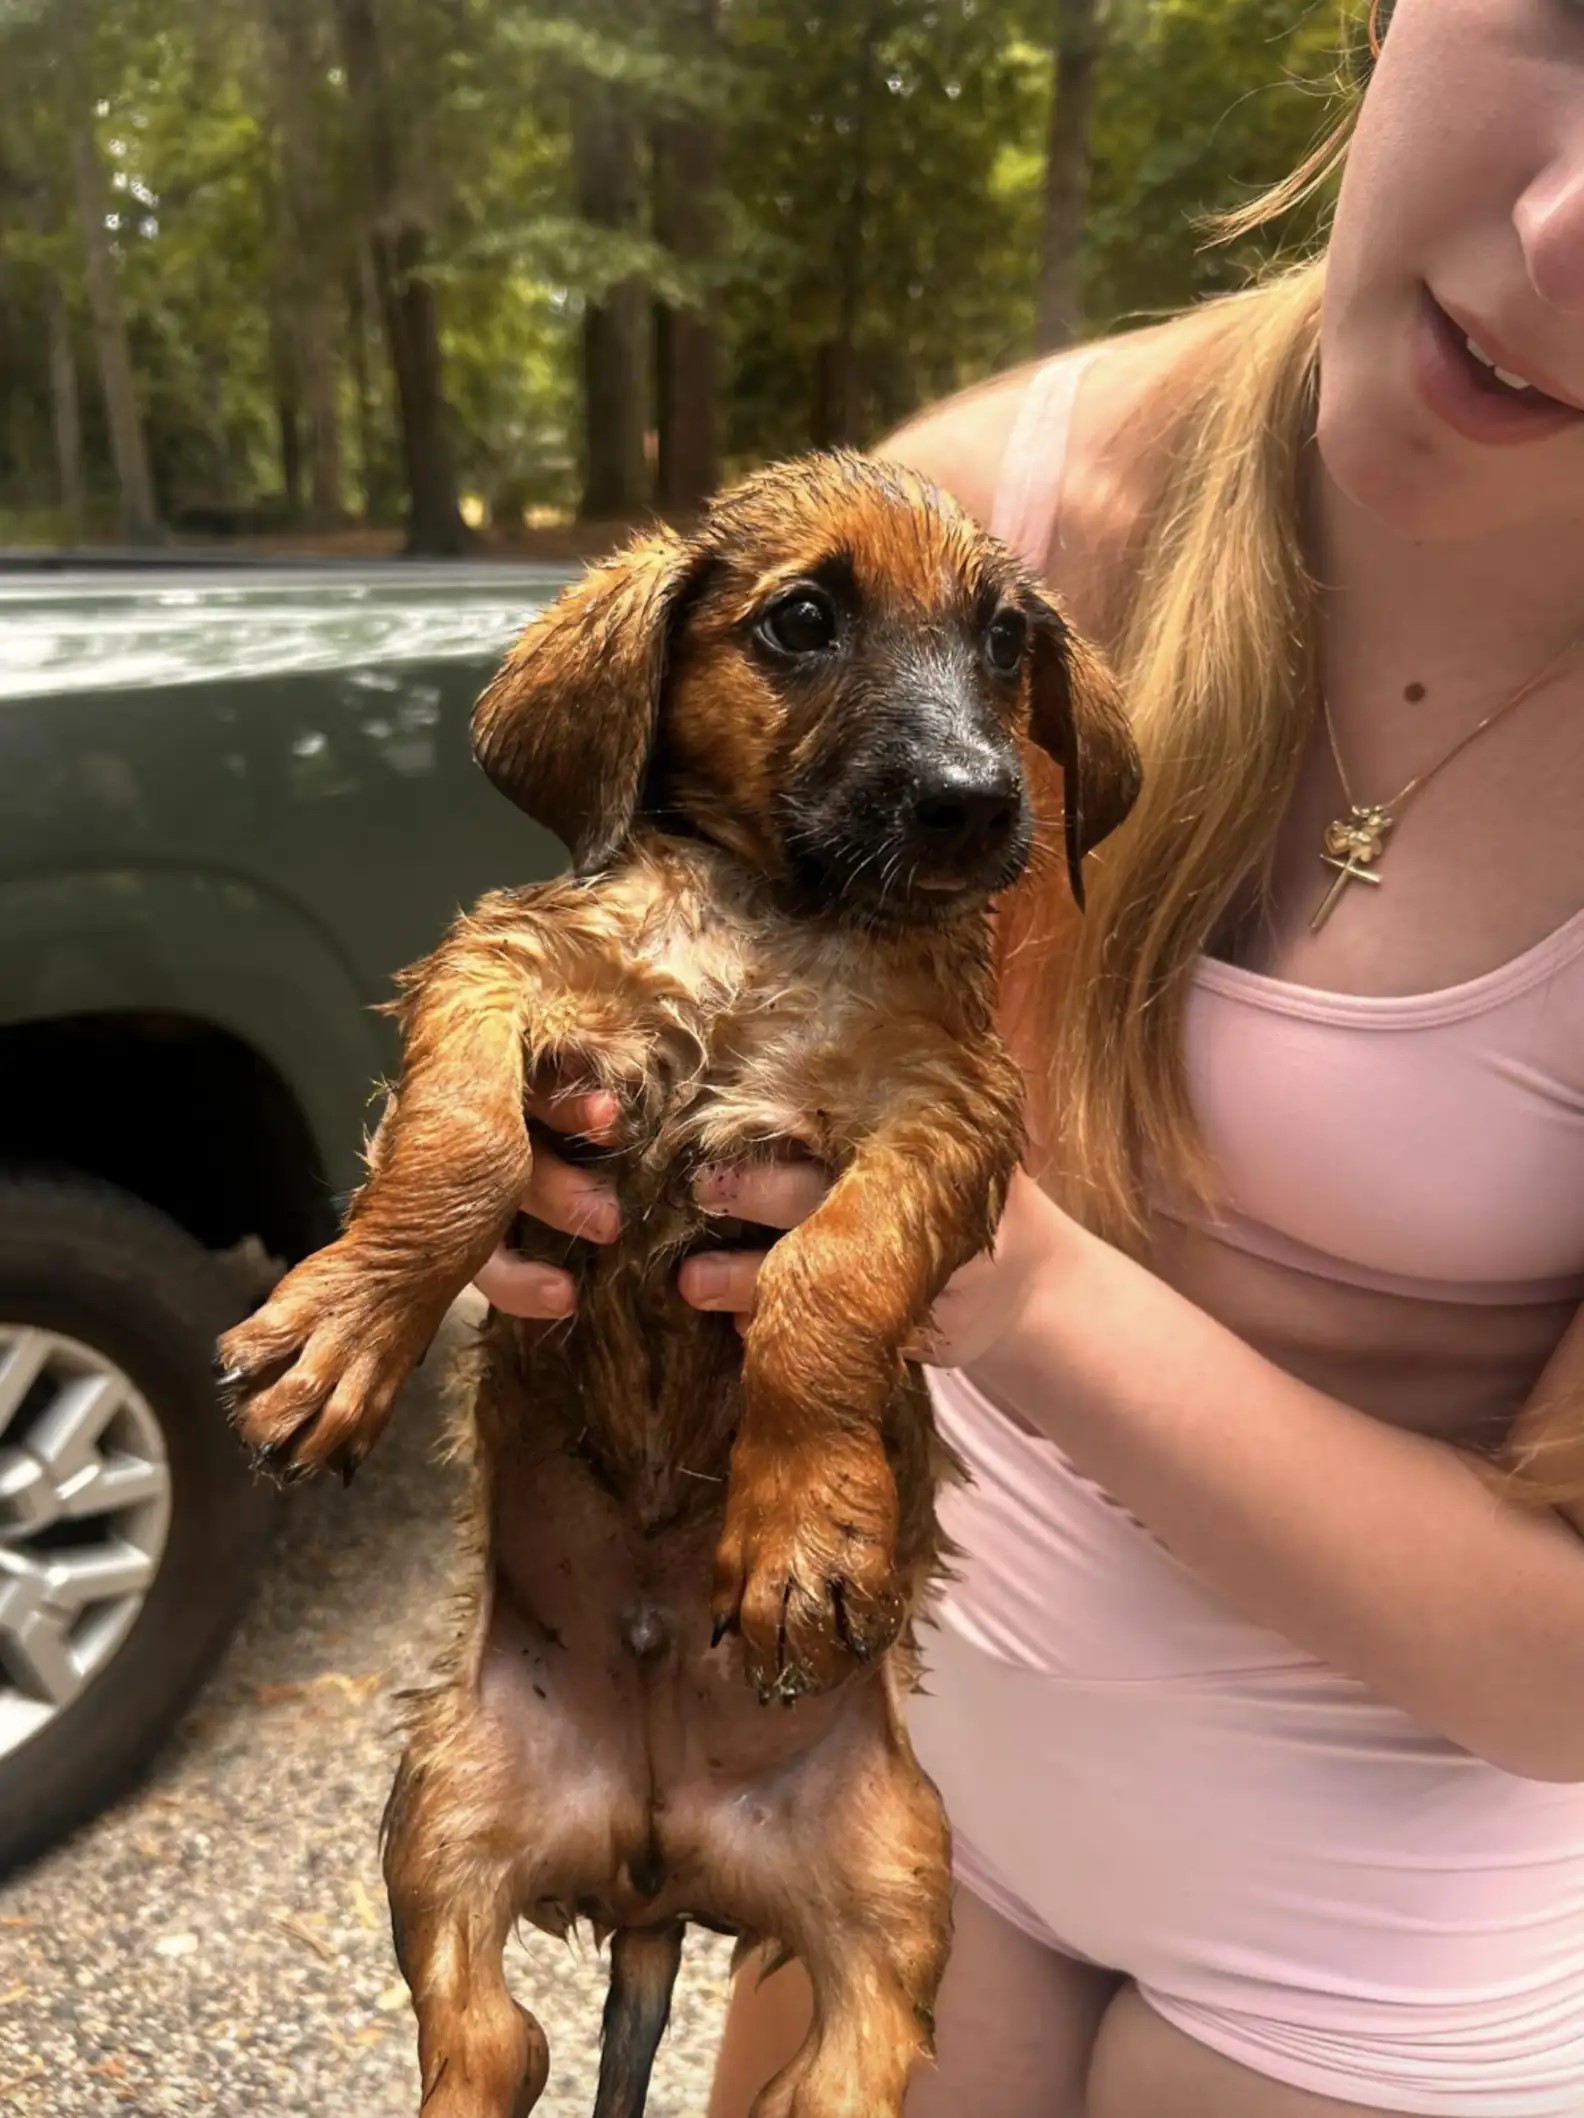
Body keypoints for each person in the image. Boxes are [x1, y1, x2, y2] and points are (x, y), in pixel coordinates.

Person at [475, 2, 1584, 2109]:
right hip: (914, 1771)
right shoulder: (993, 515)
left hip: (1378, 1942)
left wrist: (1031, 1293)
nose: (1571, 236)